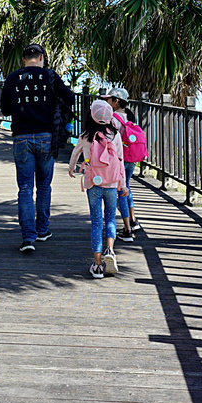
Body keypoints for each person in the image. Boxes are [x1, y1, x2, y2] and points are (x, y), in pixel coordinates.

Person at [0, 42, 76, 253]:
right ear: (42, 58)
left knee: (25, 188)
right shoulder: (50, 75)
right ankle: (42, 230)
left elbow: (5, 110)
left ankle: (27, 238)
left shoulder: (13, 78)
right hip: (46, 137)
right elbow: (70, 98)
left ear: (23, 60)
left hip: (21, 138)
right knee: (43, 185)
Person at [68, 99, 127, 278]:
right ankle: (110, 250)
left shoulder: (85, 135)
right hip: (111, 183)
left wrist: (71, 169)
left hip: (93, 183)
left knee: (96, 221)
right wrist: (122, 185)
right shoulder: (115, 135)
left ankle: (98, 264)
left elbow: (75, 153)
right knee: (110, 218)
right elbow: (120, 161)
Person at [101, 87, 141, 240]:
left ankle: (127, 230)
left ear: (115, 101)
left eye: (108, 99)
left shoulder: (111, 118)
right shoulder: (130, 115)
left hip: (119, 159)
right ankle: (132, 219)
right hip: (132, 157)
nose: (106, 102)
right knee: (127, 187)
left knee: (121, 192)